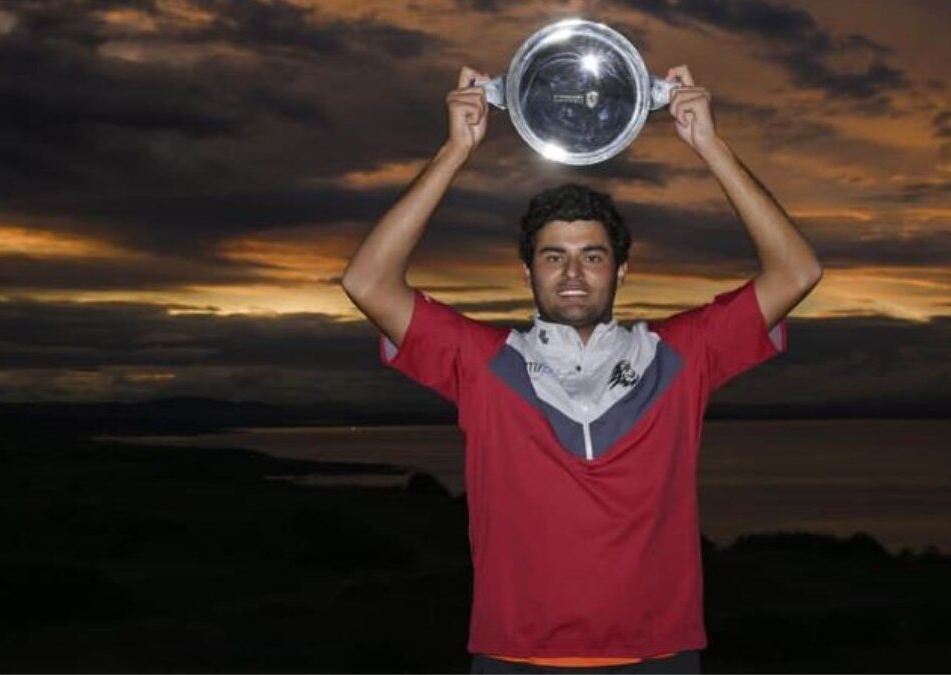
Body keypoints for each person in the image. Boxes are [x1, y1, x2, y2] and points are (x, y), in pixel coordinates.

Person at [342, 64, 822, 674]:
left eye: (593, 256)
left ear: (620, 271)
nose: (573, 274)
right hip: (514, 657)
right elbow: (366, 282)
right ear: (529, 272)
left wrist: (710, 144)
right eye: (554, 257)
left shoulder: (679, 354)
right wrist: (454, 151)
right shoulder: (485, 361)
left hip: (660, 656)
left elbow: (797, 273)